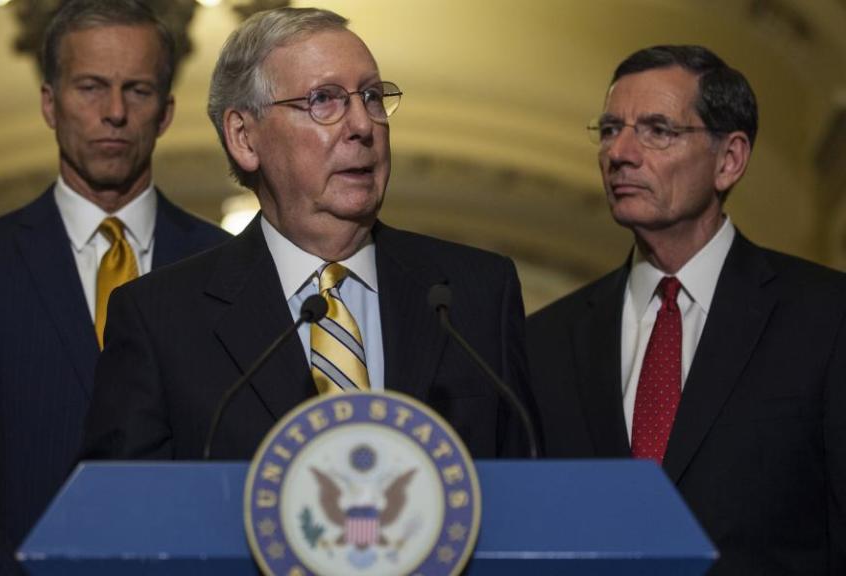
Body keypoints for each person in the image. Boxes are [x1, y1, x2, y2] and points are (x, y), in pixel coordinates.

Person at [81, 7, 531, 463]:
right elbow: (125, 518)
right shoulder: (160, 320)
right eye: (324, 100)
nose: (362, 126)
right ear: (244, 137)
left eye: (372, 97)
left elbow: (531, 496)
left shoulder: (476, 295)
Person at [0, 1, 229, 574]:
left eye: (139, 90)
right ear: (50, 103)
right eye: (91, 87)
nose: (115, 112)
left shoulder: (227, 266)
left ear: (167, 111)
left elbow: (246, 471)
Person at [525, 45, 846, 575]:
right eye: (609, 130)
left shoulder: (826, 318)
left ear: (729, 160)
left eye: (657, 130)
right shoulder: (546, 342)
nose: (620, 153)